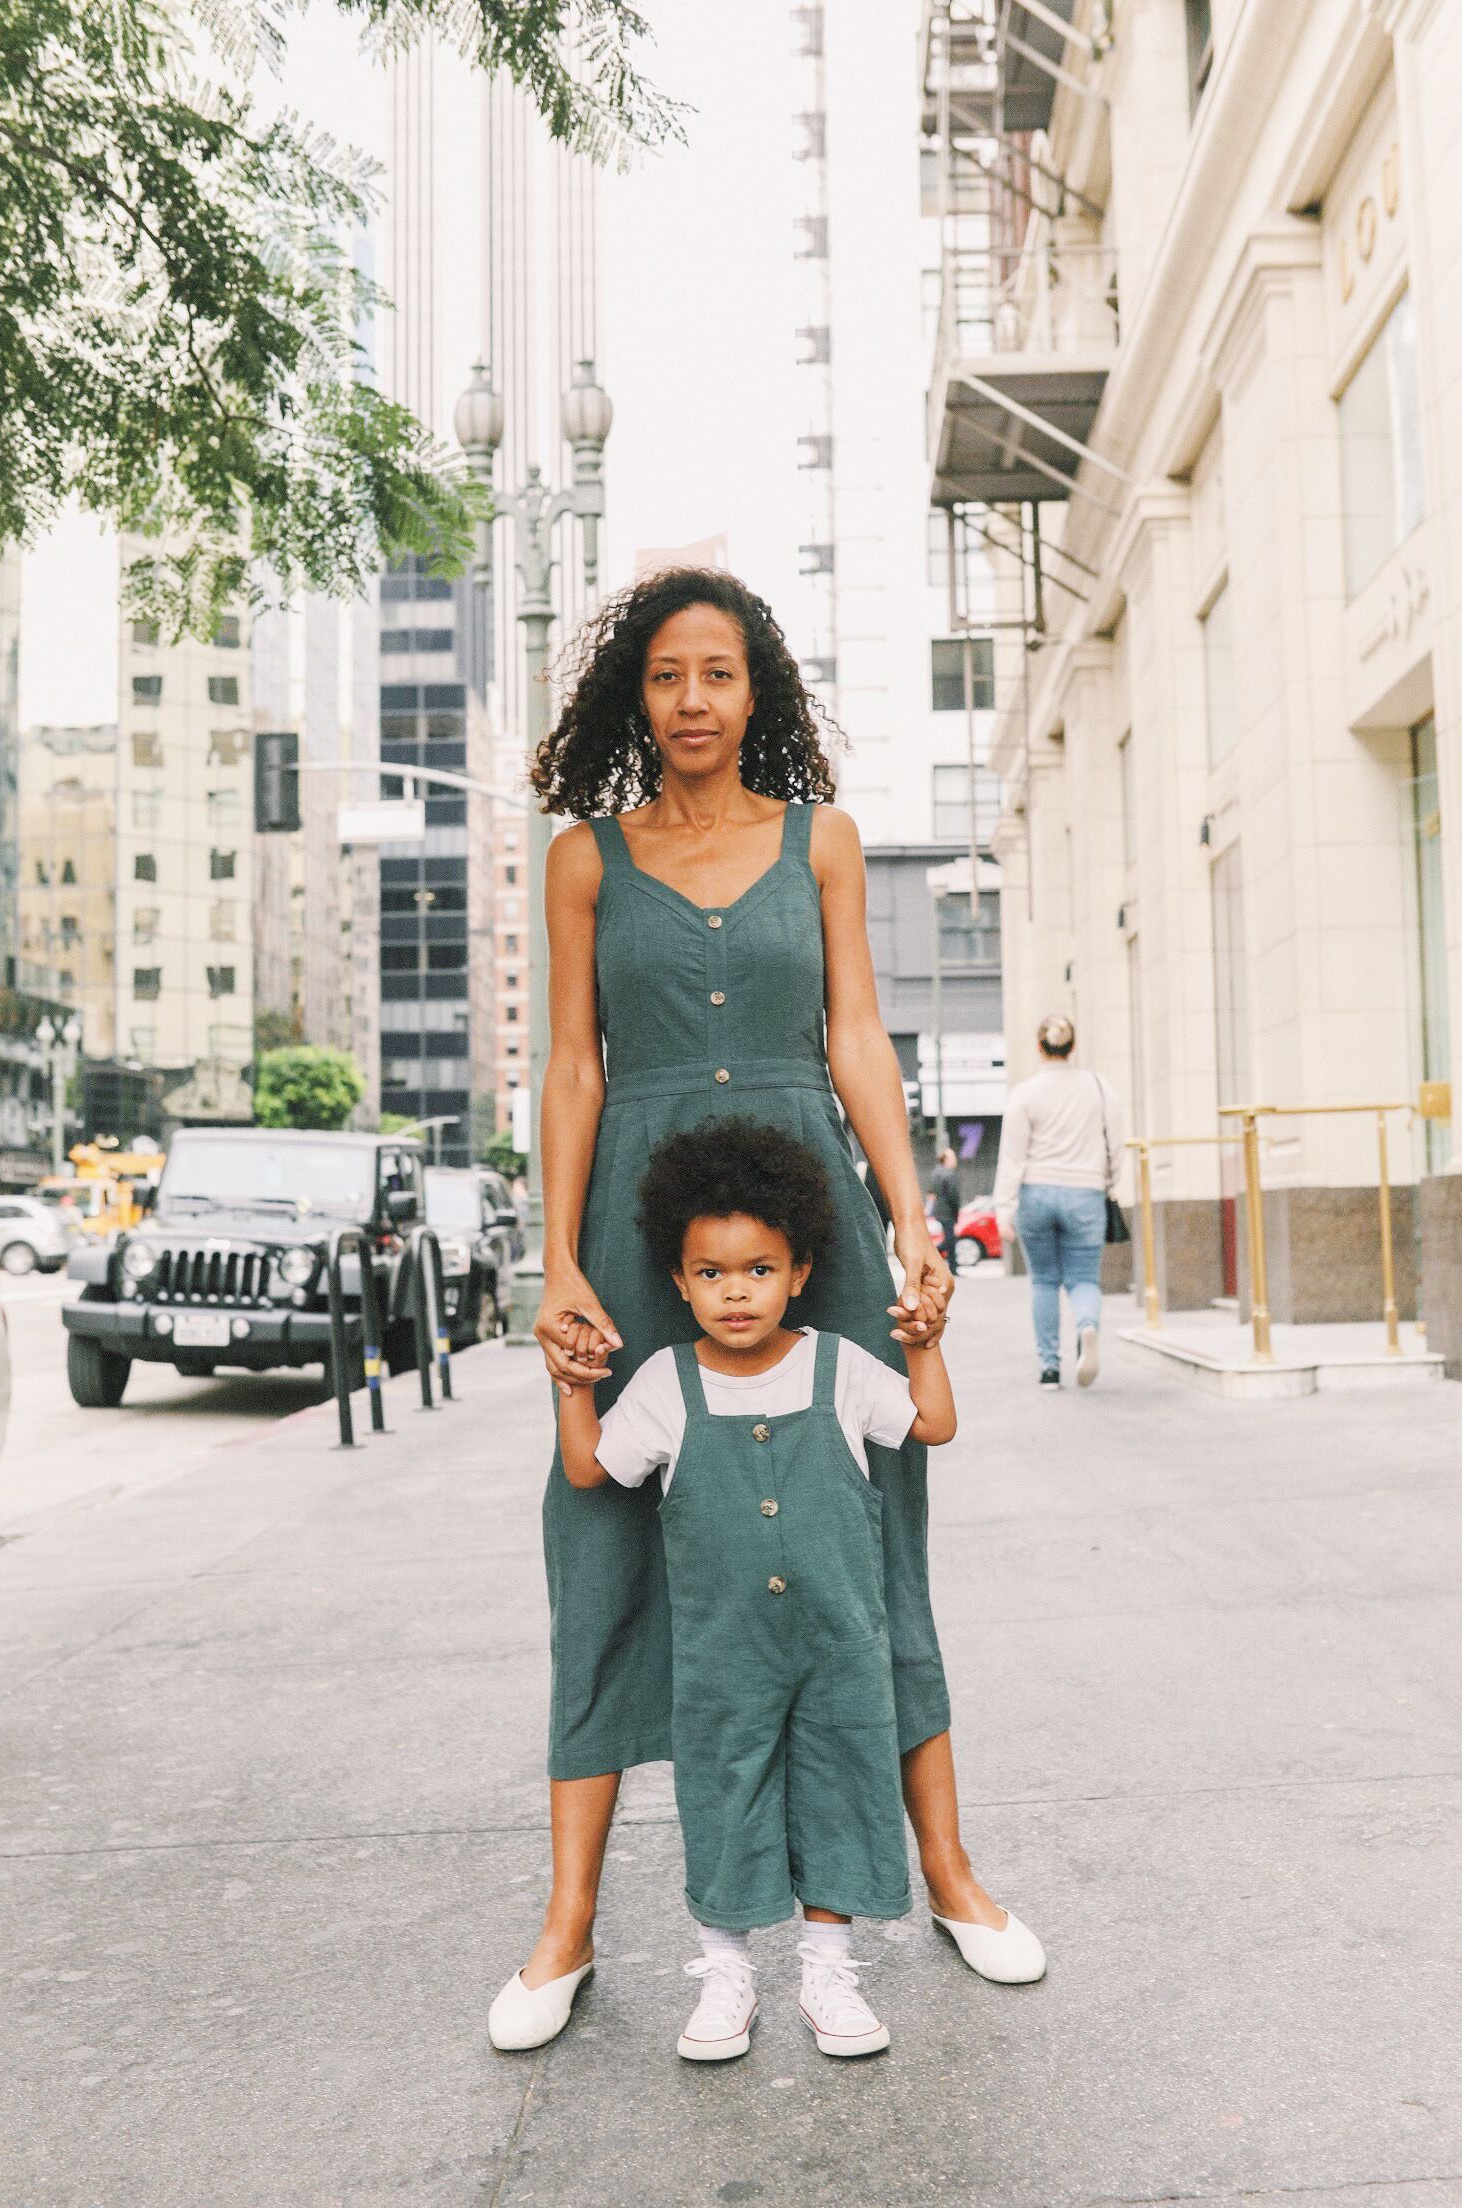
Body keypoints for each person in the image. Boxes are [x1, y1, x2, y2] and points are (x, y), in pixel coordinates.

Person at [487, 567, 1045, 2057]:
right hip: (632, 1222)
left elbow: (857, 1033)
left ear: (758, 691)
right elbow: (574, 1069)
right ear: (634, 694)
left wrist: (911, 1218)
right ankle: (569, 1927)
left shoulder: (828, 844)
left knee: (877, 1539)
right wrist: (560, 1261)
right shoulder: (585, 860)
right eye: (665, 676)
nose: (689, 701)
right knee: (598, 1540)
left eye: (717, 674)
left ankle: (947, 1875)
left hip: (817, 1224)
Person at [557, 1118, 959, 2062]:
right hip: (721, 1652)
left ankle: (829, 1968)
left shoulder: (841, 1368)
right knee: (724, 1793)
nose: (735, 1292)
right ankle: (726, 1971)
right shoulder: (664, 1384)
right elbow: (590, 1471)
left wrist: (925, 1340)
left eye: (759, 1269)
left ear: (801, 1272)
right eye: (710, 1273)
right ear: (677, 1280)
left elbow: (932, 1423)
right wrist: (571, 1378)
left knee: (839, 1785)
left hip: (838, 1641)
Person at [993, 1013, 1125, 1389]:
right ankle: (1087, 1326)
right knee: (1083, 1278)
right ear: (1073, 1046)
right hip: (1086, 1193)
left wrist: (1004, 1208)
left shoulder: (1025, 1093)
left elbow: (1012, 1156)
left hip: (1036, 1194)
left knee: (1044, 1282)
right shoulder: (1099, 1087)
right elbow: (1116, 1143)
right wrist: (1109, 1181)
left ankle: (1050, 1368)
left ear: (1039, 1047)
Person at [930, 1145, 963, 1276]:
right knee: (950, 1239)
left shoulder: (936, 1173)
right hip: (948, 1212)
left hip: (939, 1211)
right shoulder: (949, 1174)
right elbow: (953, 1196)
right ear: (946, 1159)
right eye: (953, 1157)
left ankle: (953, 1267)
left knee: (951, 1239)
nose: (955, 1160)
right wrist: (956, 1214)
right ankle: (933, 1254)